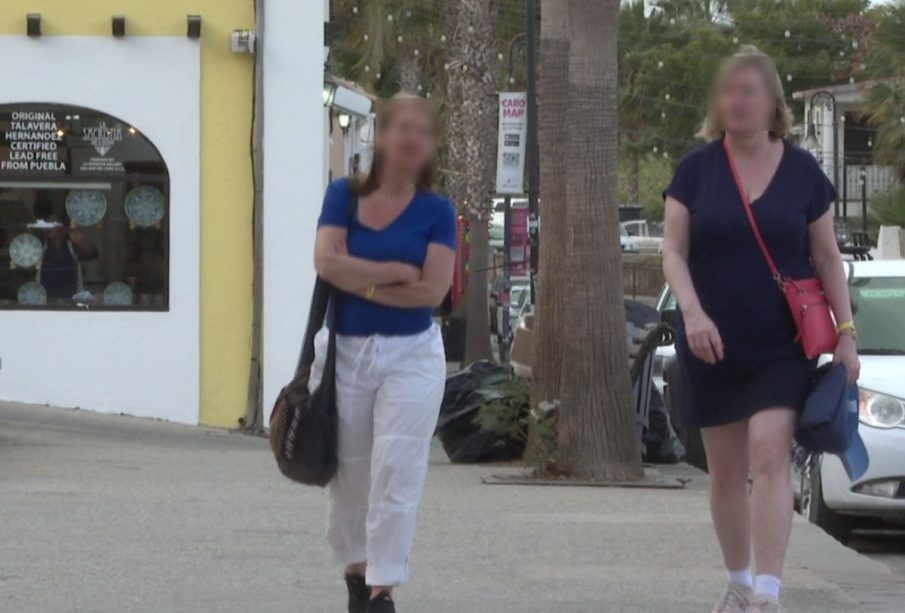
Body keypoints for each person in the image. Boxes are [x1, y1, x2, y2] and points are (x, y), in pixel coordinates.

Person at [661, 47, 859, 613]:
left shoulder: (802, 172)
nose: (737, 101)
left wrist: (845, 332)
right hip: (710, 340)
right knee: (726, 474)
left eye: (748, 91)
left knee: (771, 452)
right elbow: (673, 253)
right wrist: (692, 313)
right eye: (728, 91)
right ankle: (739, 583)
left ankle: (769, 594)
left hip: (782, 343)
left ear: (772, 101)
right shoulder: (695, 170)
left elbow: (826, 257)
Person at [310, 94, 456, 613]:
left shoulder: (438, 211)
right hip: (347, 350)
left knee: (398, 466)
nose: (413, 138)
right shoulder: (343, 197)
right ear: (382, 135)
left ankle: (382, 590)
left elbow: (432, 292)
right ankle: (356, 574)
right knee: (351, 471)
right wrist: (393, 274)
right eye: (404, 127)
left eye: (424, 130)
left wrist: (360, 278)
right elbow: (326, 262)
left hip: (413, 354)